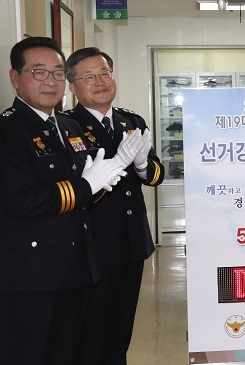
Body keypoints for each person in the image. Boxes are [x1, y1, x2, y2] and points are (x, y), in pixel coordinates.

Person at [0, 37, 125, 364]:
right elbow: (24, 201)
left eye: (58, 73)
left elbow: (83, 196)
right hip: (32, 276)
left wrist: (100, 185)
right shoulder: (9, 131)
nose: (51, 81)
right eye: (39, 72)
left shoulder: (69, 125)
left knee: (69, 353)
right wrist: (87, 186)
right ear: (16, 78)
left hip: (77, 269)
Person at [65, 47, 165, 365]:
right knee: (92, 330)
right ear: (72, 86)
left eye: (105, 73)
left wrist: (140, 166)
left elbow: (156, 174)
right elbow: (73, 189)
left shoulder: (130, 121)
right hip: (91, 245)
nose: (100, 81)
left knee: (121, 329)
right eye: (89, 76)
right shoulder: (66, 127)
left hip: (131, 242)